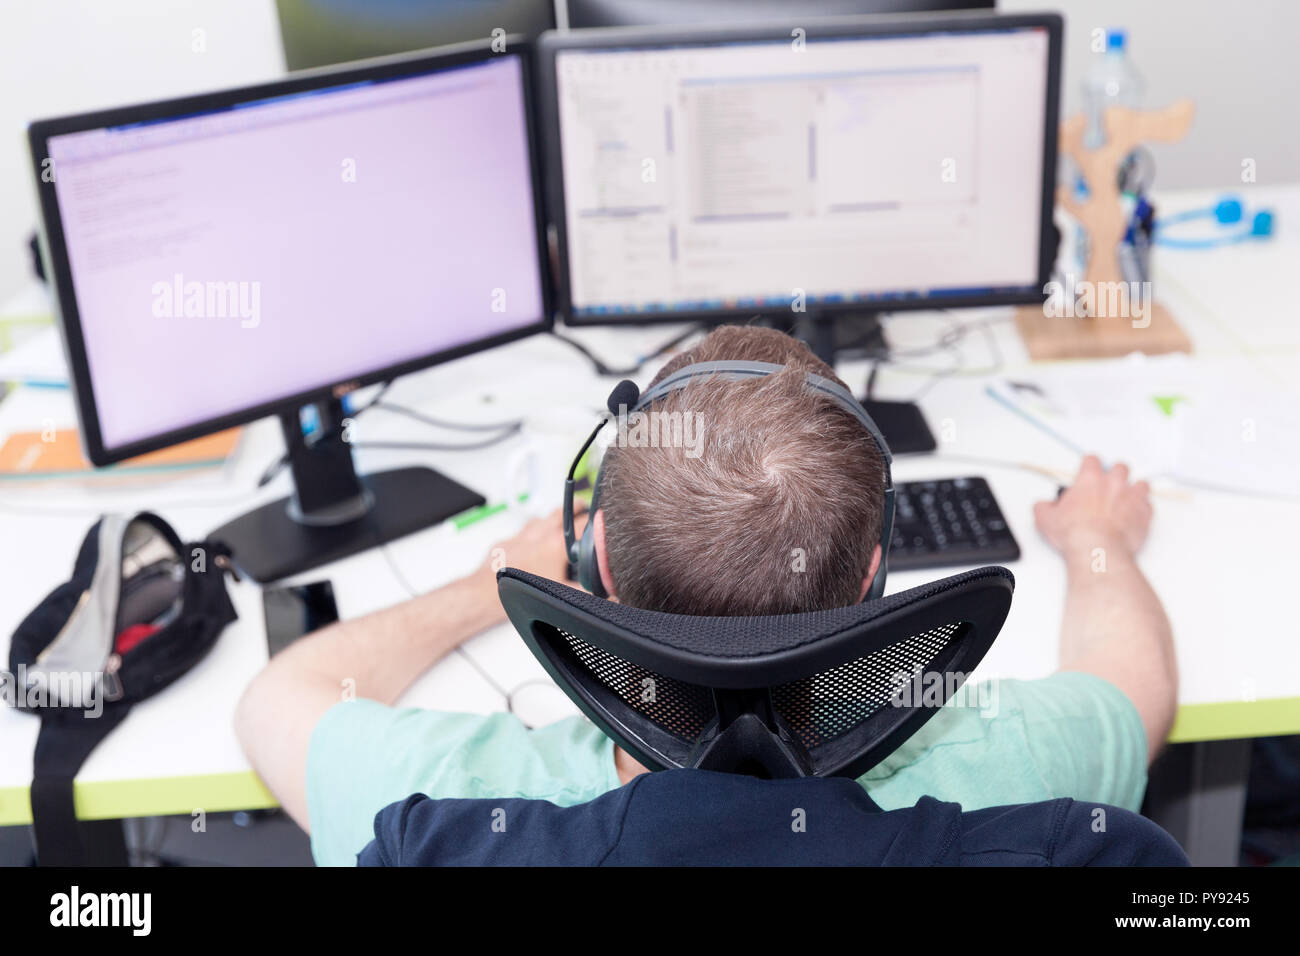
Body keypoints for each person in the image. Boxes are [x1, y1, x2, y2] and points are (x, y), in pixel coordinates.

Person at [235, 325, 1176, 866]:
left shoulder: (451, 822)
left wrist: (481, 590)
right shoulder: (1028, 790)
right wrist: (1097, 542)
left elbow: (278, 698)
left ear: (592, 557)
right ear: (871, 581)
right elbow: (1132, 690)